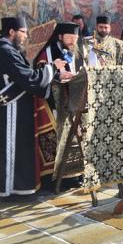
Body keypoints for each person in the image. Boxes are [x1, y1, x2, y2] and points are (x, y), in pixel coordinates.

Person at [0, 17, 65, 198]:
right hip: (10, 112)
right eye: (23, 32)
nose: (26, 36)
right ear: (12, 32)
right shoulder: (5, 51)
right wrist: (52, 67)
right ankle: (10, 190)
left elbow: (25, 77)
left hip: (13, 109)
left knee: (16, 149)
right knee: (11, 149)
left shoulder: (6, 50)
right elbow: (28, 78)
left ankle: (14, 187)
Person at [32, 22, 82, 179]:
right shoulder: (46, 54)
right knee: (57, 140)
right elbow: (39, 76)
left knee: (74, 139)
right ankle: (55, 176)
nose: (73, 41)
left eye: (75, 38)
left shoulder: (77, 52)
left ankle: (74, 175)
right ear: (60, 36)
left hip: (74, 103)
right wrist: (57, 76)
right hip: (54, 105)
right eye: (70, 38)